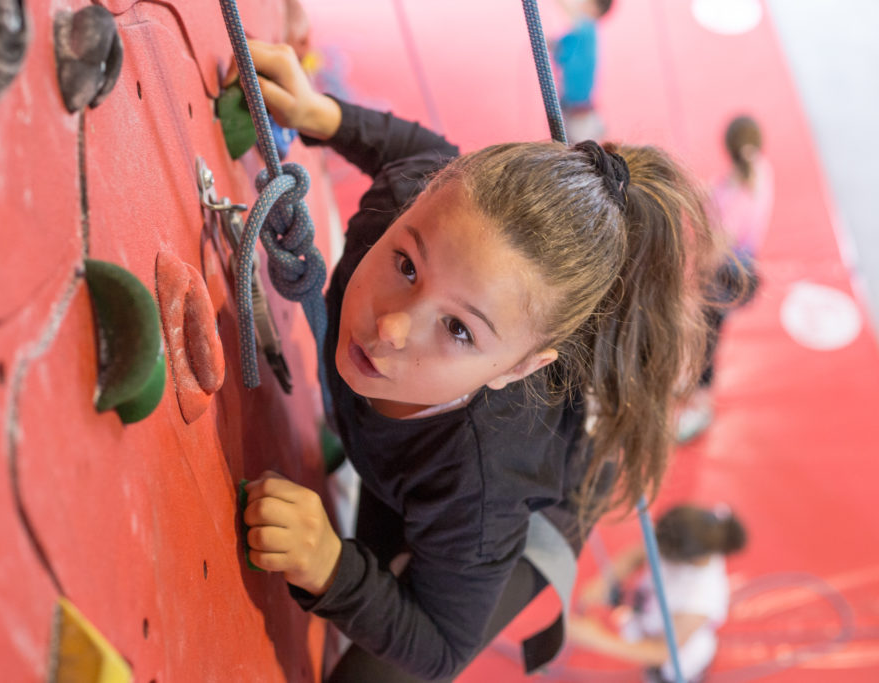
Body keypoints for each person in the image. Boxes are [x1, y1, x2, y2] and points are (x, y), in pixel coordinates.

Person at [237, 40, 717, 681]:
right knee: (374, 541)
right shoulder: (408, 206)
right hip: (427, 448)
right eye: (406, 266)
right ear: (415, 205)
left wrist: (330, 567)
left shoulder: (479, 484)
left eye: (458, 329)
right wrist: (324, 115)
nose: (391, 328)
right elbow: (417, 153)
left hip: (517, 502)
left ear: (518, 368)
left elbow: (440, 644)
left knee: (370, 660)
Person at [568, 504, 748, 682]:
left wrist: (597, 638)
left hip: (676, 659)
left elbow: (662, 652)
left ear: (685, 560)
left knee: (662, 675)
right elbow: (636, 555)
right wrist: (604, 583)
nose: (655, 550)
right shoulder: (675, 537)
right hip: (648, 617)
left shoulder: (703, 597)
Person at [677, 115, 773, 442]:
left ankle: (700, 404)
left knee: (706, 338)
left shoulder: (734, 200)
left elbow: (716, 250)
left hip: (724, 279)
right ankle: (693, 386)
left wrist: (692, 280)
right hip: (742, 269)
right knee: (705, 336)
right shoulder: (758, 170)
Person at [550, 0, 614, 142]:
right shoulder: (577, 35)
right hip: (571, 109)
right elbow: (560, 50)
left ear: (594, 8)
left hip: (579, 114)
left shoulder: (587, 28)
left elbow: (572, 11)